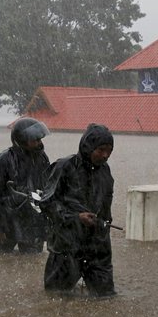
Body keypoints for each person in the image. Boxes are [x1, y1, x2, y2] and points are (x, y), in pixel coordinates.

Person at [42, 123, 117, 297]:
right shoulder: (64, 167)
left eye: (109, 150)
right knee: (56, 298)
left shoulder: (105, 171)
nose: (105, 155)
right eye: (101, 150)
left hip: (97, 246)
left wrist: (104, 226)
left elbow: (106, 206)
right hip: (67, 245)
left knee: (105, 297)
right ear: (88, 146)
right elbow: (47, 203)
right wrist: (75, 217)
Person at [0, 117, 51, 253]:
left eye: (40, 139)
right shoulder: (4, 159)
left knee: (32, 260)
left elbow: (47, 189)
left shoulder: (42, 158)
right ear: (22, 140)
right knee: (2, 258)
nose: (40, 143)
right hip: (8, 219)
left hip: (33, 221)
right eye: (35, 140)